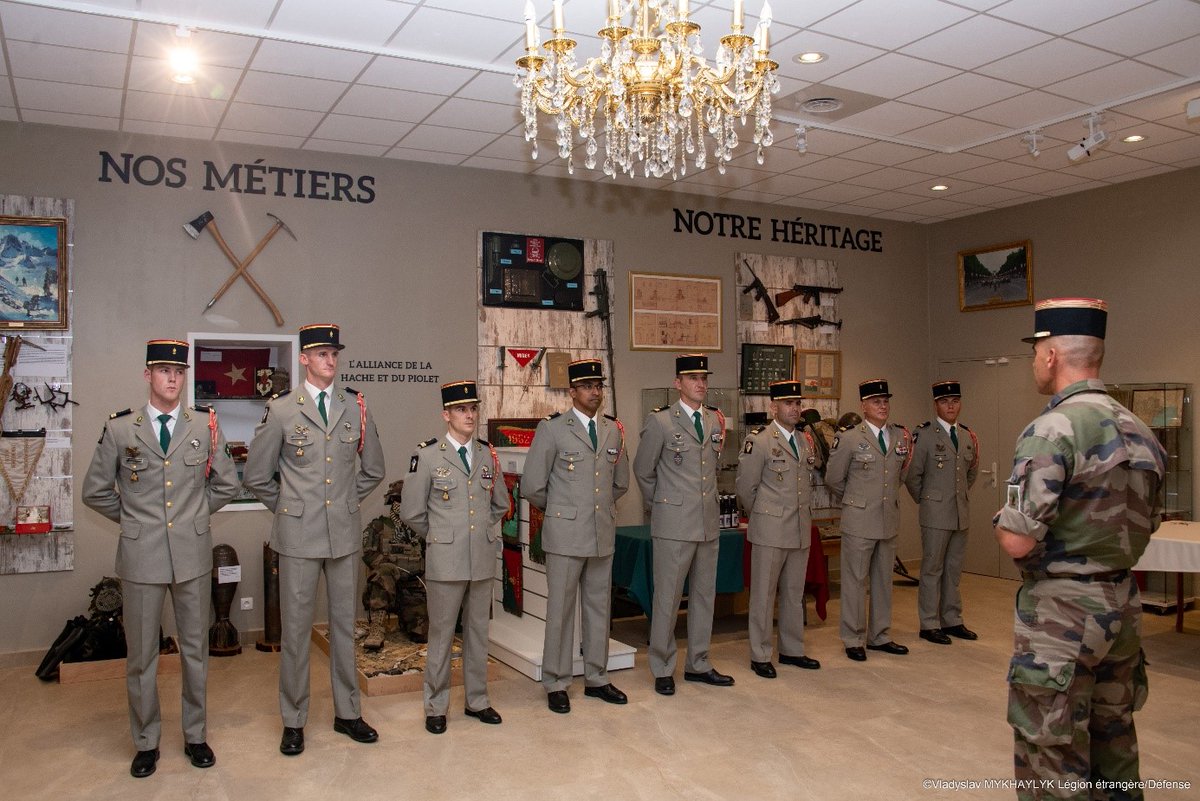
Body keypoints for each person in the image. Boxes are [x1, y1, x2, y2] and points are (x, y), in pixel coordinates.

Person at [994, 298, 1165, 798]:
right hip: (1123, 607)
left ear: (1050, 355)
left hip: (1062, 618)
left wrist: (1003, 521)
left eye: (1034, 352)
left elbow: (1018, 539)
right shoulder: (1141, 430)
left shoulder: (1051, 430)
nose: (1034, 363)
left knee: (1052, 752)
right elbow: (1148, 523)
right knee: (1114, 743)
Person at [82, 339, 239, 778]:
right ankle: (146, 741)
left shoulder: (205, 425)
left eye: (179, 371)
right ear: (147, 375)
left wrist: (192, 517)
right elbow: (94, 491)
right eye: (163, 370)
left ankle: (195, 735)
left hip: (191, 554)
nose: (172, 378)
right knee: (141, 656)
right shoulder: (119, 429)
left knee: (195, 650)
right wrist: (134, 520)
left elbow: (225, 484)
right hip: (141, 556)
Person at [243, 324, 385, 756]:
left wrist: (342, 503)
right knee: (297, 632)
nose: (330, 360)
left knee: (345, 629)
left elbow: (374, 469)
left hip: (343, 537)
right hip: (298, 537)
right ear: (304, 358)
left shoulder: (355, 406)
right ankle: (294, 720)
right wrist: (292, 505)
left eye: (333, 353)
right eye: (321, 353)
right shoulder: (283, 410)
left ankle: (348, 714)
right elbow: (256, 476)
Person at [398, 380, 509, 735]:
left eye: (473, 408)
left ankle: (477, 700)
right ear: (446, 415)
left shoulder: (487, 454)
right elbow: (412, 512)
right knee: (442, 636)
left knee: (478, 634)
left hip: (480, 559)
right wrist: (443, 536)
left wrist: (481, 533)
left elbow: (501, 504)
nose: (469, 415)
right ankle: (436, 705)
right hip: (445, 561)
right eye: (461, 409)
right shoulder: (428, 456)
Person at [522, 358, 631, 713]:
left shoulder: (613, 430)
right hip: (565, 535)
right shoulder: (553, 429)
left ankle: (598, 677)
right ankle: (556, 680)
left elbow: (620, 482)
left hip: (601, 533)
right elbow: (533, 486)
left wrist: (593, 509)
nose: (594, 392)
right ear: (572, 392)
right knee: (561, 610)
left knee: (599, 608)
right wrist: (564, 511)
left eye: (598, 386)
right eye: (587, 386)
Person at [632, 353, 734, 695]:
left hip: (707, 522)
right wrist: (664, 505)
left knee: (705, 596)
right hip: (674, 524)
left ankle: (699, 663)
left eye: (704, 378)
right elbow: (643, 471)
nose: (700, 384)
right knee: (668, 598)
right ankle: (662, 666)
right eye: (693, 378)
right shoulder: (662, 422)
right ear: (678, 383)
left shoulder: (715, 421)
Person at [735, 379, 822, 679]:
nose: (795, 408)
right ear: (773, 407)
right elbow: (745, 488)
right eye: (788, 403)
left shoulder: (804, 441)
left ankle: (792, 649)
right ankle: (760, 654)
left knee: (794, 594)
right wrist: (765, 514)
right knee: (763, 595)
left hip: (799, 528)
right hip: (770, 529)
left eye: (797, 403)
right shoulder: (758, 441)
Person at [825, 379, 911, 662]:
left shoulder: (899, 436)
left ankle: (880, 635)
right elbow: (834, 479)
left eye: (885, 401)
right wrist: (857, 499)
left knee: (883, 580)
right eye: (876, 401)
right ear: (864, 406)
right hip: (859, 519)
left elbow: (898, 477)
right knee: (855, 581)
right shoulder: (849, 438)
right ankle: (852, 638)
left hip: (887, 518)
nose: (883, 406)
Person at [904, 381, 980, 646]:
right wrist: (928, 501)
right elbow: (913, 476)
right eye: (945, 401)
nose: (951, 406)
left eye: (955, 401)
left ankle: (952, 619)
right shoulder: (924, 435)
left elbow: (970, 472)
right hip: (935, 512)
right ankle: (929, 623)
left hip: (960, 513)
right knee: (932, 569)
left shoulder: (968, 435)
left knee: (954, 570)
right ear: (936, 404)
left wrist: (955, 497)